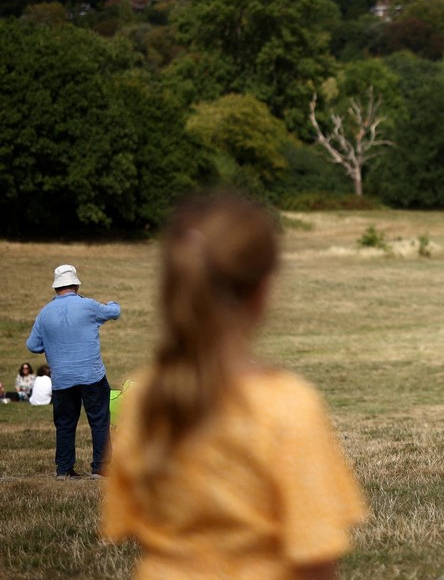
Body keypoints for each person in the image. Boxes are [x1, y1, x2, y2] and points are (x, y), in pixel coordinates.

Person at [101, 192, 365, 577]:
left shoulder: (143, 396)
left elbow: (132, 526)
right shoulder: (290, 404)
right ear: (263, 291)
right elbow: (316, 560)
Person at [26, 263, 121, 479]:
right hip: (91, 375)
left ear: (56, 288)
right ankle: (100, 468)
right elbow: (115, 312)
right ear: (76, 286)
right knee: (99, 421)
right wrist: (111, 303)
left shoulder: (44, 313)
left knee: (65, 425)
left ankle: (64, 470)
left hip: (61, 379)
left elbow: (32, 345)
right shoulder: (87, 305)